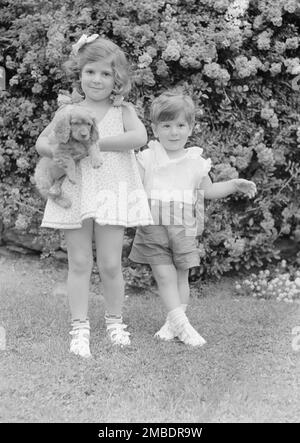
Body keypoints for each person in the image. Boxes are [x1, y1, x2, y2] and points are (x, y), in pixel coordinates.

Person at [35, 34, 153, 358]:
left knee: (111, 263)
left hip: (112, 191)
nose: (96, 79)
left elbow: (139, 137)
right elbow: (42, 143)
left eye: (105, 73)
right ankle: (79, 328)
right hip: (77, 190)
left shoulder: (123, 109)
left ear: (117, 78)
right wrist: (63, 151)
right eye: (90, 72)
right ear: (80, 73)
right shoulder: (70, 110)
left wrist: (95, 145)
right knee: (80, 261)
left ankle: (115, 322)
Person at [129, 91, 257, 346]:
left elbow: (207, 191)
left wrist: (233, 184)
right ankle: (184, 327)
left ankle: (173, 322)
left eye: (180, 125)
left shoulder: (195, 161)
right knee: (164, 275)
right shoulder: (148, 157)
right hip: (154, 224)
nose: (173, 132)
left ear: (190, 128)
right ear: (155, 129)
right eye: (166, 126)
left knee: (180, 276)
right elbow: (134, 186)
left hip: (183, 226)